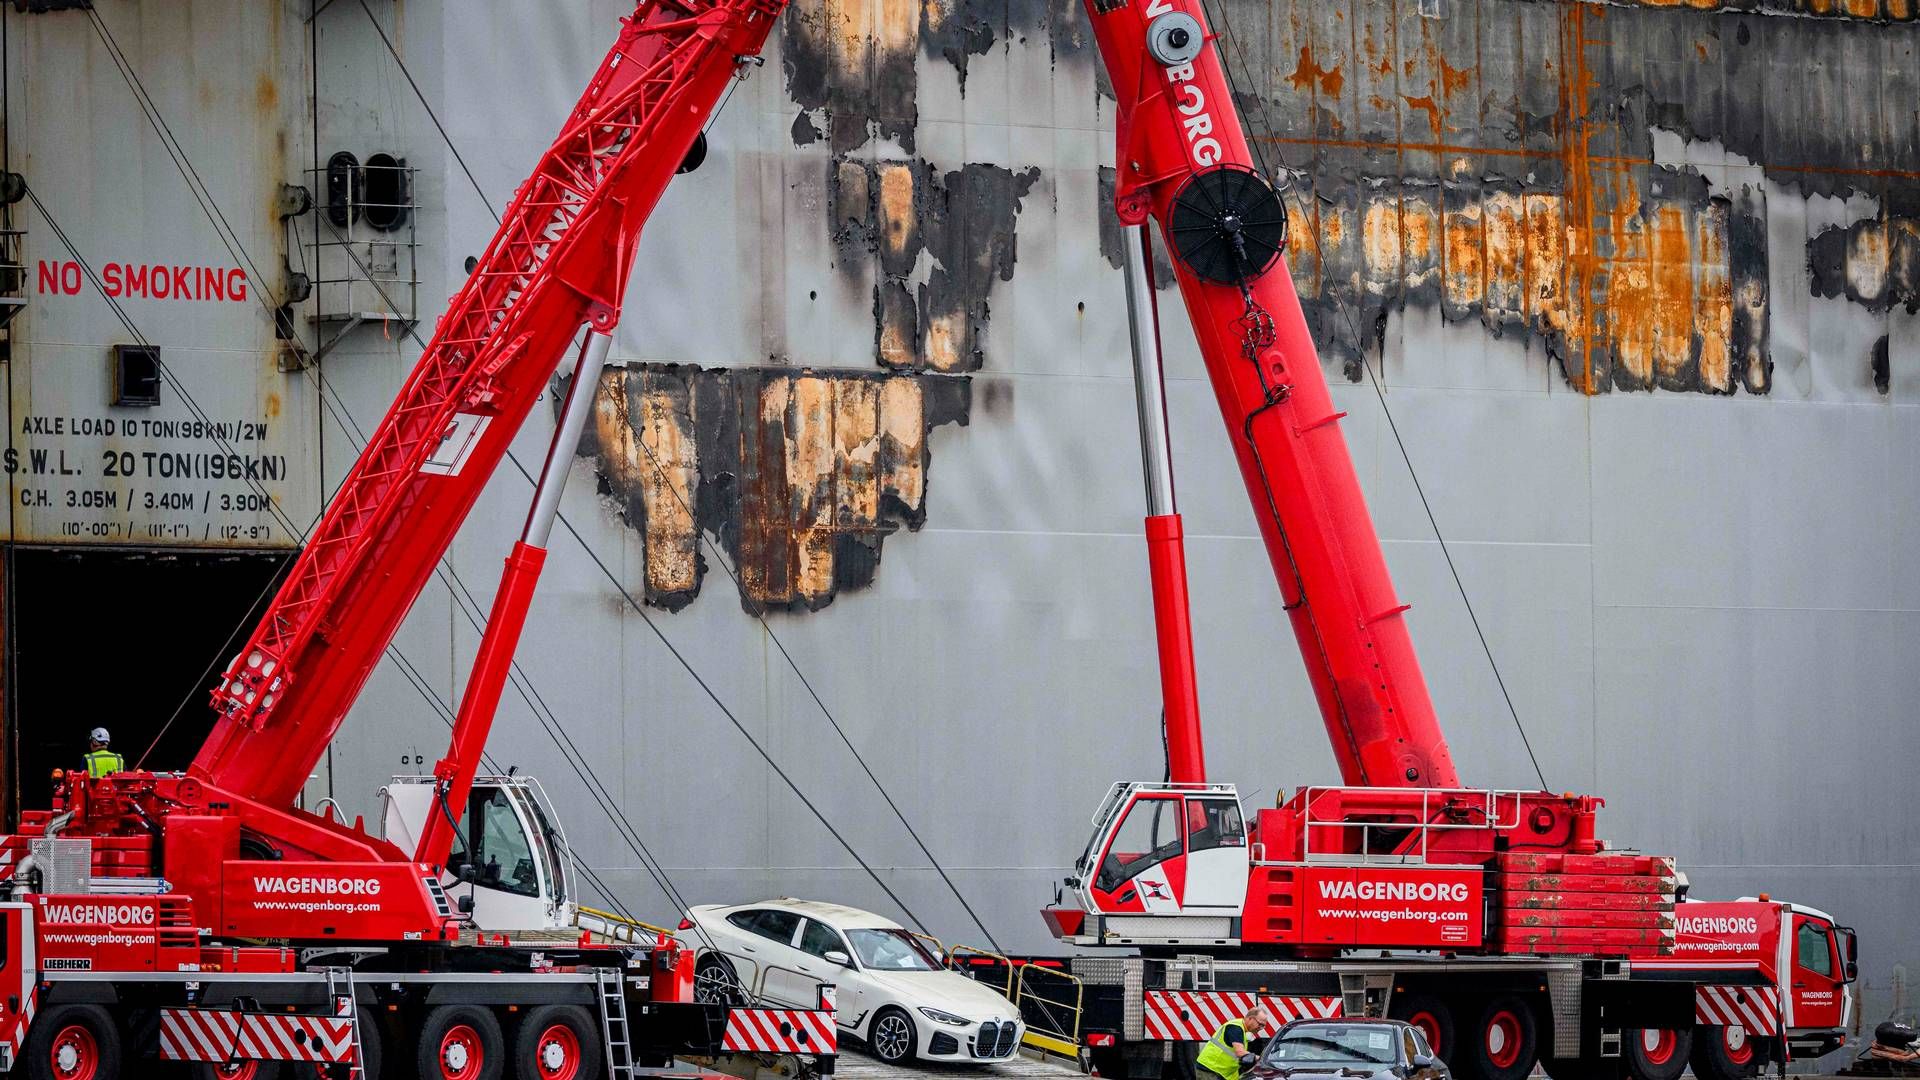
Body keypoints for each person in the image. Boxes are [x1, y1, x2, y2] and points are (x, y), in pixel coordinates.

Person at [1196, 1005, 1271, 1080]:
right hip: (1210, 1070)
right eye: (1260, 1024)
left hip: (1221, 1072)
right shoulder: (1235, 1028)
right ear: (1250, 1018)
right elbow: (1240, 1052)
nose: (1261, 1028)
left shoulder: (1242, 1030)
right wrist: (1261, 1059)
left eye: (1263, 1026)